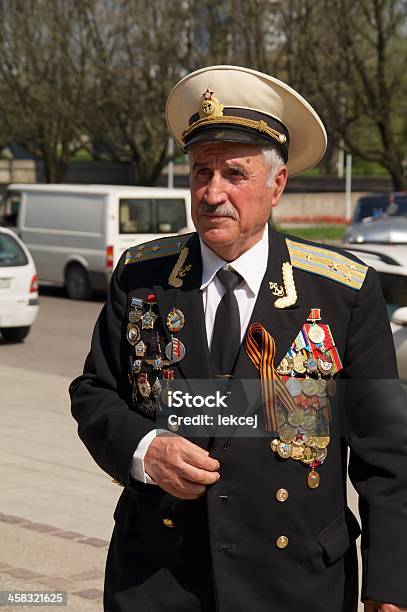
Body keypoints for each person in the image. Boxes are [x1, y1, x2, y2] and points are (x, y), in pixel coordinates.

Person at [70, 65, 407, 612]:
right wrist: (144, 448)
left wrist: (391, 586)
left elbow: (385, 452)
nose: (212, 193)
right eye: (201, 172)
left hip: (294, 580)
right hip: (159, 576)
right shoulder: (141, 277)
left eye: (234, 173)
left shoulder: (341, 291)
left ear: (277, 185)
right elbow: (94, 392)